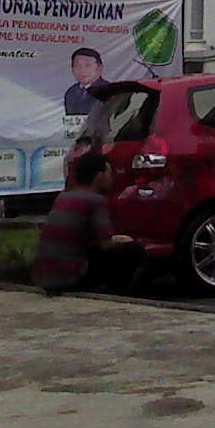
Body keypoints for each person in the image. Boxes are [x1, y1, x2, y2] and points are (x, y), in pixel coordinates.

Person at [30, 151, 142, 295]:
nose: (111, 178)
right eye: (109, 173)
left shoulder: (63, 197)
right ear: (99, 176)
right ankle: (114, 294)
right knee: (133, 250)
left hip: (42, 277)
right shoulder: (95, 200)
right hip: (68, 278)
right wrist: (125, 241)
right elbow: (106, 244)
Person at [63, 48, 105, 116]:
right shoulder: (71, 92)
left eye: (87, 65)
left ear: (99, 68)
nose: (82, 70)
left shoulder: (109, 90)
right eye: (77, 66)